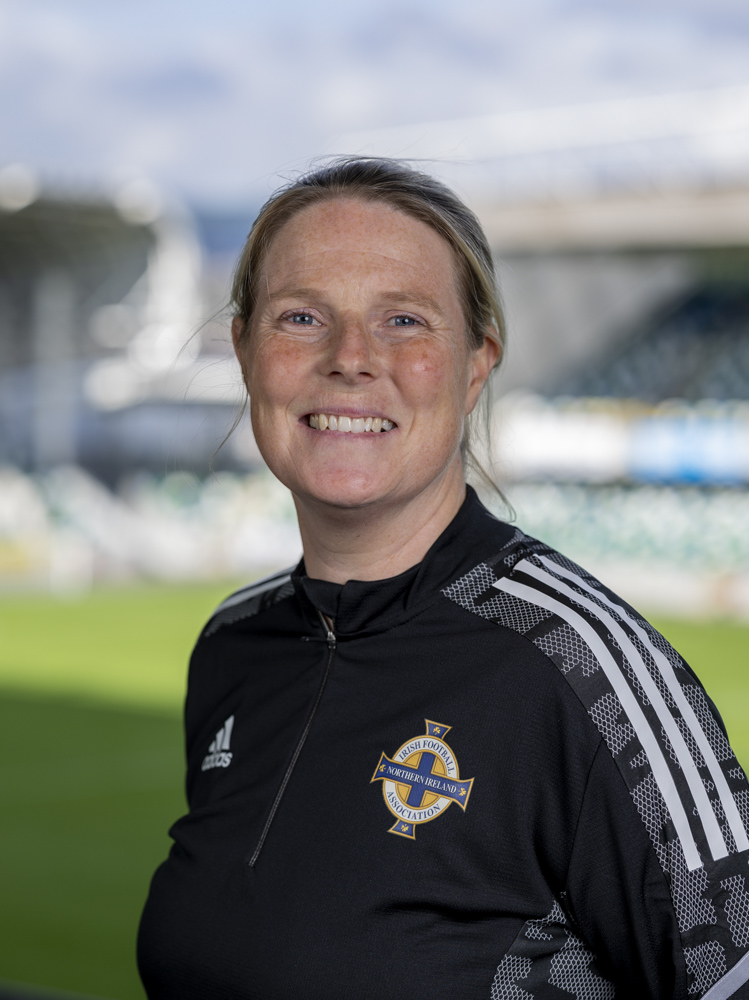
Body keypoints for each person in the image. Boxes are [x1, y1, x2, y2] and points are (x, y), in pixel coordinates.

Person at [137, 158, 749, 1000]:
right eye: (302, 316)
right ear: (244, 350)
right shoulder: (232, 646)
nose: (350, 357)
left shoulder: (581, 669)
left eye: (402, 319)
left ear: (474, 365)